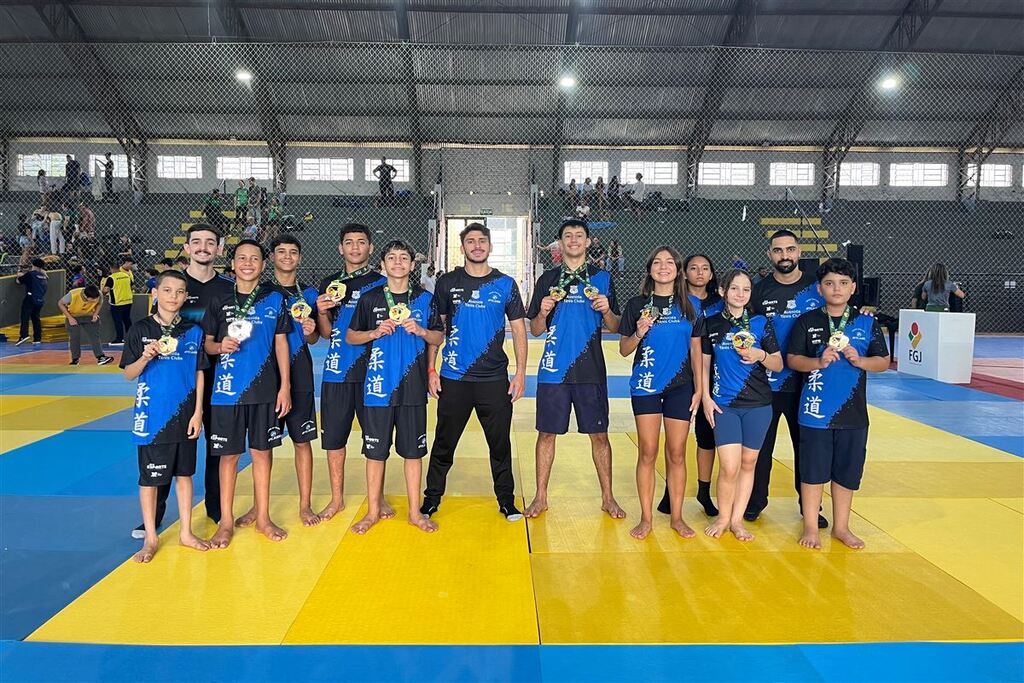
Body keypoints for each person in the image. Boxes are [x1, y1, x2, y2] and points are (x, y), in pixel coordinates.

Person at [421, 223, 528, 521]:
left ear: (490, 246)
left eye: (482, 241)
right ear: (463, 247)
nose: (477, 246)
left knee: (500, 444)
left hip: (494, 381)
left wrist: (520, 374)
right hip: (454, 378)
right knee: (444, 442)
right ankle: (431, 498)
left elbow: (519, 330)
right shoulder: (447, 283)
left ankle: (506, 500)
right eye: (471, 241)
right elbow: (436, 329)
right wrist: (431, 369)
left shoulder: (506, 284)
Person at [134, 223, 235, 539]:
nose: (203, 247)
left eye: (210, 242)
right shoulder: (173, 285)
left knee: (217, 447)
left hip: (219, 376)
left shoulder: (229, 288)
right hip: (177, 382)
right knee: (166, 443)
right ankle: (157, 513)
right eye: (197, 242)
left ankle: (217, 510)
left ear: (219, 249)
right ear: (187, 248)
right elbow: (156, 329)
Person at [786, 258, 890, 550]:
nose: (837, 289)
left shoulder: (867, 322)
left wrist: (861, 360)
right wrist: (818, 361)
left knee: (847, 471)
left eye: (844, 283)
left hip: (853, 413)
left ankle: (841, 527)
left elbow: (884, 362)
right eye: (830, 283)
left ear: (853, 287)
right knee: (812, 471)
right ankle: (810, 525)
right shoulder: (807, 321)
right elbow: (793, 359)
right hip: (815, 411)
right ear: (820, 289)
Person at [525, 219, 624, 519]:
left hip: (590, 369)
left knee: (600, 436)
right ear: (559, 243)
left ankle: (608, 497)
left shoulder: (603, 279)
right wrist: (542, 312)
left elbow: (616, 326)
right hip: (554, 370)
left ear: (589, 241)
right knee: (546, 435)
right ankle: (540, 497)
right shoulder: (548, 279)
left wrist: (607, 310)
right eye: (567, 236)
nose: (573, 240)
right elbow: (536, 329)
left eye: (579, 235)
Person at [346, 240, 445, 534]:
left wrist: (422, 331)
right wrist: (375, 332)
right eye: (392, 258)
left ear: (413, 265)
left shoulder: (425, 299)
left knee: (413, 453)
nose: (398, 262)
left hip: (413, 387)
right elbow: (351, 336)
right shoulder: (370, 298)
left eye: (404, 258)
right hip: (378, 387)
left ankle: (415, 513)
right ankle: (373, 511)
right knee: (375, 453)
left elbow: (438, 338)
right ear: (383, 265)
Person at [204, 239, 292, 549]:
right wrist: (219, 347)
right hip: (226, 392)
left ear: (263, 264)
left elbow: (282, 344)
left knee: (262, 454)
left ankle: (263, 518)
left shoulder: (274, 300)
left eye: (254, 258)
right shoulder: (219, 301)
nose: (248, 263)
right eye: (242, 258)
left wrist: (285, 386)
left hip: (265, 389)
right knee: (227, 457)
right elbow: (208, 344)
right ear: (233, 264)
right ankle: (226, 522)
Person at [120, 270, 211, 562]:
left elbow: (199, 374)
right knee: (150, 479)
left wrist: (198, 412)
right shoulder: (139, 329)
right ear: (155, 293)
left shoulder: (193, 331)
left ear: (185, 296)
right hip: (153, 417)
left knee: (184, 475)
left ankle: (185, 532)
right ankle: (151, 537)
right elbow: (128, 374)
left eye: (179, 291)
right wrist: (146, 356)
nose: (173, 296)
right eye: (167, 290)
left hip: (185, 414)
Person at [235, 234, 321, 528]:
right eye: (281, 252)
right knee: (263, 446)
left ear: (299, 257)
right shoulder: (259, 294)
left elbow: (314, 337)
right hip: (265, 377)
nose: (287, 256)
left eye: (293, 252)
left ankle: (305, 505)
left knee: (302, 441)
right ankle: (259, 508)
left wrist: (310, 328)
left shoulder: (308, 294)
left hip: (300, 375)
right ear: (271, 258)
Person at [618, 246, 702, 540]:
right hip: (646, 386)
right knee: (648, 451)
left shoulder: (691, 305)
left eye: (670, 262)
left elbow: (696, 350)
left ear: (678, 270)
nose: (663, 267)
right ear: (649, 269)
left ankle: (677, 517)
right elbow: (624, 349)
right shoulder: (636, 304)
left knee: (677, 453)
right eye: (657, 262)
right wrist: (639, 332)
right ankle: (646, 518)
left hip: (681, 387)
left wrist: (700, 390)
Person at [747, 229, 828, 528]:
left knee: (806, 448)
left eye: (790, 250)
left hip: (807, 384)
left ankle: (810, 507)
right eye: (778, 250)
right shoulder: (758, 290)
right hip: (765, 384)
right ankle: (754, 502)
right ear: (769, 255)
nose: (785, 255)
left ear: (799, 252)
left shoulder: (816, 287)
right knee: (760, 448)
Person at [701, 269, 783, 542]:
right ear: (723, 291)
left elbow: (778, 363)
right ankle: (723, 516)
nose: (740, 294)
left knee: (749, 463)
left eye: (746, 290)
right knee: (729, 466)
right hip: (724, 404)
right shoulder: (710, 323)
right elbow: (702, 364)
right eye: (734, 289)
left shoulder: (760, 323)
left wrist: (760, 354)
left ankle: (737, 520)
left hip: (758, 404)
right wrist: (705, 398)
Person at [315, 223, 388, 522]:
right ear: (340, 248)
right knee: (335, 440)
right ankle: (336, 500)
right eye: (349, 242)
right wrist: (320, 311)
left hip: (375, 370)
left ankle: (378, 498)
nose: (355, 247)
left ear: (371, 248)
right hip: (337, 372)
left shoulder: (383, 283)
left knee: (377, 440)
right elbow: (325, 334)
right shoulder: (329, 283)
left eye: (361, 242)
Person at [657, 253, 723, 517]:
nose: (699, 273)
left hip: (718, 377)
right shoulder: (678, 302)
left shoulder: (721, 303)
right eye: (693, 268)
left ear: (711, 274)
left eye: (705, 268)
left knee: (708, 436)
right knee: (677, 439)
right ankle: (668, 491)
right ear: (684, 273)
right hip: (682, 376)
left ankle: (704, 491)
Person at [59, 284, 114, 366]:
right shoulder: (73, 294)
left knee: (95, 336)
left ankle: (100, 357)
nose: (94, 300)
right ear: (85, 296)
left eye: (96, 298)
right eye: (92, 299)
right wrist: (69, 318)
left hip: (89, 316)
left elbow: (99, 303)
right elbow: (60, 303)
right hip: (73, 316)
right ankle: (75, 359)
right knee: (74, 337)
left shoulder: (98, 294)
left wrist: (95, 314)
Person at [15, 259, 48, 346]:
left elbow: (19, 281)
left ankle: (23, 335)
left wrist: (20, 275)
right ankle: (37, 338)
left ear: (33, 265)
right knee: (36, 318)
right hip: (40, 300)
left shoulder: (30, 274)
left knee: (25, 317)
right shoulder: (44, 276)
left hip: (30, 298)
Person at [102, 257, 135, 345]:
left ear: (111, 268)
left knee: (118, 321)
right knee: (127, 320)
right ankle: (130, 337)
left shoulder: (111, 278)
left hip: (117, 303)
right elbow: (132, 287)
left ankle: (119, 339)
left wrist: (102, 293)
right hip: (128, 301)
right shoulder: (126, 276)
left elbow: (105, 290)